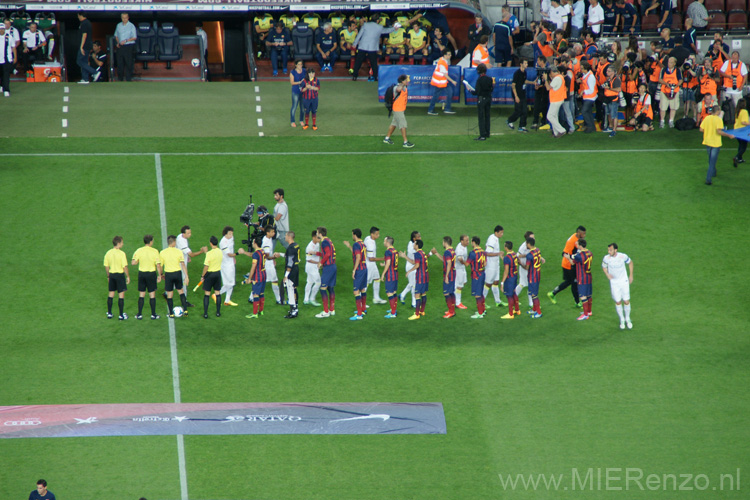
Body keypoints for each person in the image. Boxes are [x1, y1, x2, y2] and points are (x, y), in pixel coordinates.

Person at [351, 13, 396, 82]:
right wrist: (394, 28)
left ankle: (354, 76)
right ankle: (375, 77)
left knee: (358, 62)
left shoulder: (365, 25)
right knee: (374, 63)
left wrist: (355, 43)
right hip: (372, 47)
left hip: (363, 46)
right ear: (377, 20)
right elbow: (387, 31)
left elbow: (359, 34)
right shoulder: (380, 27)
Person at [548, 225, 585, 307]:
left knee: (569, 282)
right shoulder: (572, 241)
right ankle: (577, 302)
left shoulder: (577, 239)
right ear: (579, 233)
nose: (584, 235)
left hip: (570, 264)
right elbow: (564, 253)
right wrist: (571, 261)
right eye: (583, 234)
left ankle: (552, 293)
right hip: (569, 265)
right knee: (574, 283)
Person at [602, 242, 633, 329]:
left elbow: (630, 263)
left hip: (624, 281)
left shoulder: (622, 256)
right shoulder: (606, 258)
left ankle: (628, 318)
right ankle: (622, 319)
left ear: (615, 250)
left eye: (610, 250)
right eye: (608, 250)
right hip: (614, 283)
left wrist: (631, 275)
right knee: (618, 301)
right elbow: (604, 267)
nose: (609, 251)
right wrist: (607, 274)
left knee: (626, 301)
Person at [131, 234, 163, 320]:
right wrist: (160, 275)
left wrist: (138, 261)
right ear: (151, 241)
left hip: (142, 274)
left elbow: (133, 262)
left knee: (141, 294)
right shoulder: (155, 251)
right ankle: (153, 314)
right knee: (152, 295)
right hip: (151, 274)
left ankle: (139, 314)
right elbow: (158, 265)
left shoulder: (139, 250)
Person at [700, 105, 733, 185]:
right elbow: (719, 132)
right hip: (715, 143)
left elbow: (701, 129)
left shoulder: (707, 118)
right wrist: (729, 135)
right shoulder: (718, 120)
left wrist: (708, 131)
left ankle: (714, 172)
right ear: (718, 111)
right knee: (712, 162)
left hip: (707, 142)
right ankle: (708, 179)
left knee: (710, 160)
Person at [176, 225, 207, 307]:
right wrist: (201, 251)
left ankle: (166, 293)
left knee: (177, 280)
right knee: (184, 282)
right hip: (180, 264)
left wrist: (187, 257)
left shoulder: (180, 236)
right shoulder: (182, 241)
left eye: (190, 232)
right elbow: (192, 254)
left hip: (179, 260)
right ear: (184, 233)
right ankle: (184, 301)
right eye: (188, 233)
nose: (190, 234)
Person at [160, 234, 190, 317]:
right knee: (181, 291)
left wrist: (161, 274)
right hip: (177, 273)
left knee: (169, 294)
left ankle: (171, 313)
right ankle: (185, 310)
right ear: (174, 242)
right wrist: (186, 276)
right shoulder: (178, 251)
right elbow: (183, 264)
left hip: (169, 274)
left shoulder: (163, 252)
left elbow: (160, 265)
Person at [343, 228, 368, 321]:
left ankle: (359, 314)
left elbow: (358, 257)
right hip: (365, 268)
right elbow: (356, 253)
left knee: (356, 291)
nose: (352, 236)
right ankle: (363, 309)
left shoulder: (356, 244)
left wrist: (354, 270)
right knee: (362, 289)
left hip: (359, 270)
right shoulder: (362, 244)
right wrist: (349, 246)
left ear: (355, 235)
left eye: (352, 234)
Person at [383, 74, 415, 148]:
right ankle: (405, 142)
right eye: (406, 80)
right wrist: (402, 84)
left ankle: (387, 138)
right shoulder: (397, 87)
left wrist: (404, 84)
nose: (407, 81)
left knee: (394, 124)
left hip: (400, 109)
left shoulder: (404, 87)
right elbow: (398, 90)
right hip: (398, 109)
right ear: (402, 81)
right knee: (403, 125)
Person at [565, 238, 593, 320]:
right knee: (588, 294)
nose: (576, 245)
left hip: (582, 277)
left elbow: (572, 262)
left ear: (580, 246)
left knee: (582, 296)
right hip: (589, 276)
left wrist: (568, 258)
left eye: (577, 244)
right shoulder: (590, 253)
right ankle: (589, 311)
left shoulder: (579, 256)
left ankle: (585, 314)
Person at [104, 235, 130, 320]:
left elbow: (106, 266)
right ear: (118, 243)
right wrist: (128, 276)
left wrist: (108, 275)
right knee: (121, 295)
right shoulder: (122, 254)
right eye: (122, 242)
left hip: (112, 275)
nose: (123, 244)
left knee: (111, 294)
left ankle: (109, 313)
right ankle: (121, 315)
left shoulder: (108, 253)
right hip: (119, 276)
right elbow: (125, 267)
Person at [430, 236, 456, 319]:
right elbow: (445, 261)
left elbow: (448, 263)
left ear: (445, 242)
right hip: (453, 273)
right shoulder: (452, 251)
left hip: (449, 274)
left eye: (443, 242)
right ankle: (452, 310)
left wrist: (447, 276)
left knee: (446, 293)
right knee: (451, 292)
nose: (442, 243)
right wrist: (436, 253)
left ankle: (451, 312)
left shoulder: (447, 252)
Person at [402, 239, 428, 321]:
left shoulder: (417, 254)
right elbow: (413, 262)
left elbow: (416, 265)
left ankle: (417, 314)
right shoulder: (422, 253)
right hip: (426, 276)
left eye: (414, 244)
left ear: (417, 245)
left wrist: (409, 271)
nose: (413, 245)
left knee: (417, 295)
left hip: (420, 276)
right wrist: (405, 256)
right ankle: (422, 311)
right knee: (423, 293)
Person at [315, 226, 337, 318]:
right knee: (330, 288)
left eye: (317, 232)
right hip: (333, 266)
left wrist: (321, 262)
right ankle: (332, 310)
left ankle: (325, 311)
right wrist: (316, 253)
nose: (316, 234)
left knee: (323, 289)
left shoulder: (324, 242)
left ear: (320, 233)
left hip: (328, 268)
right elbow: (328, 253)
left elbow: (327, 254)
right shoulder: (329, 240)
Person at [427, 48, 456, 115]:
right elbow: (445, 74)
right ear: (444, 55)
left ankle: (446, 108)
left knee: (449, 93)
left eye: (450, 54)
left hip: (442, 82)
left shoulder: (443, 60)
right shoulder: (442, 63)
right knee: (437, 95)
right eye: (449, 54)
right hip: (440, 82)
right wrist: (452, 81)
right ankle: (431, 110)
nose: (450, 56)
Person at [199, 236, 223, 319]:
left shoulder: (209, 254)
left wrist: (202, 276)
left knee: (207, 294)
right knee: (217, 293)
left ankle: (205, 314)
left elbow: (206, 266)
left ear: (211, 243)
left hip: (210, 275)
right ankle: (218, 312)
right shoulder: (220, 251)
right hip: (218, 274)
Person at [483, 225, 506, 307]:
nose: (502, 234)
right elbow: (487, 253)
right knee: (488, 283)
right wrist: (498, 253)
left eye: (502, 233)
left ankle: (498, 301)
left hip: (496, 265)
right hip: (491, 266)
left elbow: (487, 246)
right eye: (501, 233)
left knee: (496, 282)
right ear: (496, 232)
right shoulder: (492, 239)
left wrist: (498, 253)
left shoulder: (495, 238)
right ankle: (482, 303)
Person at [522, 236, 545, 318]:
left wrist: (520, 263)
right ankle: (534, 309)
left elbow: (527, 267)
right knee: (532, 293)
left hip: (532, 277)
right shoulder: (537, 250)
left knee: (534, 295)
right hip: (537, 275)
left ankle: (539, 312)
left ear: (528, 244)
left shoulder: (529, 255)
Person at [470, 63, 494, 141]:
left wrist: (470, 90)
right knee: (487, 115)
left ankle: (482, 135)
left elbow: (477, 92)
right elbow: (491, 89)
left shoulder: (479, 80)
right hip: (488, 98)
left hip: (481, 99)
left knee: (481, 117)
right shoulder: (490, 79)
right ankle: (487, 133)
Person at [244, 237, 266, 319]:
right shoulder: (262, 251)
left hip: (258, 275)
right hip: (264, 273)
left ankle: (254, 313)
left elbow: (253, 266)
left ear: (255, 243)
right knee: (261, 293)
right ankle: (261, 311)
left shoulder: (256, 254)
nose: (252, 243)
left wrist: (249, 278)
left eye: (253, 242)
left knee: (255, 294)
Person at [363, 226, 386, 304]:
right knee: (366, 282)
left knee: (377, 278)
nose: (378, 236)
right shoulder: (370, 244)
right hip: (369, 264)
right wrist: (383, 258)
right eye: (376, 234)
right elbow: (371, 258)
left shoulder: (367, 238)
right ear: (372, 234)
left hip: (372, 264)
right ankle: (361, 302)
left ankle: (376, 298)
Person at [506, 59, 531, 132]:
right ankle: (509, 120)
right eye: (525, 63)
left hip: (523, 93)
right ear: (521, 64)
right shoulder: (517, 73)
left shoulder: (525, 72)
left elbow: (525, 81)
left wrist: (533, 82)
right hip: (517, 94)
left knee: (525, 111)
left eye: (527, 63)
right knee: (518, 111)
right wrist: (516, 96)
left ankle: (522, 126)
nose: (527, 64)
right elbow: (513, 85)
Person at [465, 236, 487, 319]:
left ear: (474, 242)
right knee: (480, 293)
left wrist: (461, 261)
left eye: (471, 241)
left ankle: (480, 313)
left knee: (477, 295)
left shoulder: (472, 253)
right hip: (482, 274)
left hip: (476, 275)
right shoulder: (483, 252)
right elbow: (485, 264)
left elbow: (467, 264)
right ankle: (483, 309)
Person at [260, 226, 282, 304]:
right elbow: (266, 256)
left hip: (266, 263)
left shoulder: (268, 239)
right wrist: (274, 257)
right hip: (267, 264)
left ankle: (252, 297)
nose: (274, 233)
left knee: (261, 280)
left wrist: (273, 259)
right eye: (272, 232)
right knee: (274, 280)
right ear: (267, 233)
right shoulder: (266, 242)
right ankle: (279, 299)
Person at [280, 231, 300, 318]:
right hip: (296, 268)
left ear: (289, 237)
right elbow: (293, 257)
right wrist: (280, 254)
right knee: (293, 288)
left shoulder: (290, 248)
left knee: (290, 290)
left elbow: (290, 262)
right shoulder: (296, 245)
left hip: (291, 271)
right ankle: (295, 308)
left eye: (285, 235)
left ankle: (293, 310)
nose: (285, 237)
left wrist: (286, 275)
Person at [399, 231, 421, 308]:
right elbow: (414, 261)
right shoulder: (413, 248)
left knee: (412, 283)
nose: (420, 238)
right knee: (414, 285)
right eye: (418, 237)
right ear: (414, 238)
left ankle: (402, 295)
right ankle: (414, 303)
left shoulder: (414, 244)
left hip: (413, 265)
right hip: (411, 266)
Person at [514, 231, 535, 311]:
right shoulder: (523, 247)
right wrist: (526, 256)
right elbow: (517, 256)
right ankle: (513, 297)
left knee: (529, 284)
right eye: (532, 237)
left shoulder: (531, 244)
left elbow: (534, 252)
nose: (534, 238)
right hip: (523, 267)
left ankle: (531, 303)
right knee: (522, 283)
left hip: (528, 266)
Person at [658, 56, 682, 128]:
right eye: (669, 62)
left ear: (674, 63)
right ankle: (662, 121)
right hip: (664, 91)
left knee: (673, 107)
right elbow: (660, 79)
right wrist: (666, 84)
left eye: (671, 62)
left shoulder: (678, 70)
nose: (669, 64)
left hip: (674, 91)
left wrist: (676, 85)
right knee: (663, 107)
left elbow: (680, 80)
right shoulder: (664, 69)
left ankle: (671, 121)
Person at [545, 65, 568, 138]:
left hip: (556, 100)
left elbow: (548, 88)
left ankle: (561, 130)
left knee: (550, 116)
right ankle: (556, 132)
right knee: (554, 116)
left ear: (551, 71)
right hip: (558, 99)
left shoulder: (557, 78)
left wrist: (546, 79)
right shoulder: (559, 77)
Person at [219, 226, 238, 307]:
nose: (231, 235)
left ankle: (227, 300)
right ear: (225, 234)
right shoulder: (223, 242)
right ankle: (218, 294)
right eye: (230, 234)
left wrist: (234, 258)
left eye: (232, 233)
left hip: (230, 263)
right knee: (230, 283)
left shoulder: (231, 238)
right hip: (225, 264)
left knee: (230, 282)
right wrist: (238, 253)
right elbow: (229, 254)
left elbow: (232, 249)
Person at [500, 241, 520, 319]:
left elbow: (506, 271)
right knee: (514, 292)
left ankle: (510, 314)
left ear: (506, 248)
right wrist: (502, 257)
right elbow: (513, 262)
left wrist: (502, 282)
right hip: (515, 276)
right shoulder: (514, 254)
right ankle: (517, 310)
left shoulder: (507, 258)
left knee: (509, 295)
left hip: (510, 279)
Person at [381, 236, 399, 318]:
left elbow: (388, 263)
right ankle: (394, 309)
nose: (383, 242)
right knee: (394, 292)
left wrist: (383, 274)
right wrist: (383, 264)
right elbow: (391, 261)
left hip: (390, 275)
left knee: (389, 293)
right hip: (395, 273)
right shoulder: (395, 251)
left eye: (384, 241)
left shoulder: (388, 252)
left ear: (388, 242)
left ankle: (393, 313)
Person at [114, 12, 136, 82]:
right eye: (123, 18)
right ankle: (120, 79)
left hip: (129, 46)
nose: (124, 19)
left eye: (125, 18)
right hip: (120, 46)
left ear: (128, 18)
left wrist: (126, 40)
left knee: (128, 63)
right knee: (120, 63)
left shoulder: (131, 26)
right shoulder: (118, 25)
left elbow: (134, 37)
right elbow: (116, 35)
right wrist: (117, 42)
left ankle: (128, 79)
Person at [530, 56, 550, 130]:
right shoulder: (539, 69)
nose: (537, 61)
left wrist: (540, 86)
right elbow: (538, 77)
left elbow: (548, 81)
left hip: (544, 89)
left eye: (538, 60)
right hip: (538, 89)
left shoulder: (547, 70)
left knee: (544, 105)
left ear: (542, 61)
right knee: (536, 105)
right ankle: (535, 122)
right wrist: (535, 82)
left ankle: (543, 121)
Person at [77, 11, 96, 84]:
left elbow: (84, 35)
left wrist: (81, 47)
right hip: (87, 45)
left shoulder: (85, 23)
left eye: (78, 15)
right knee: (84, 61)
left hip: (85, 45)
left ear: (80, 15)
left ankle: (94, 72)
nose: (78, 17)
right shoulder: (87, 22)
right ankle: (85, 79)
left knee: (79, 61)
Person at [602, 65, 621, 136]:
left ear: (613, 72)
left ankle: (614, 130)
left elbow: (618, 89)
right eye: (607, 71)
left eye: (609, 71)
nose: (607, 72)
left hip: (614, 99)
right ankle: (610, 127)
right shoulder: (609, 79)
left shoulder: (616, 80)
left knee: (614, 115)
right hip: (608, 99)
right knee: (608, 114)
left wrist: (609, 88)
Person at [303, 230, 322, 305]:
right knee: (318, 283)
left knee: (310, 282)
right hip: (311, 266)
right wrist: (319, 263)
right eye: (318, 238)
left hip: (314, 266)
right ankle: (312, 298)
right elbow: (309, 260)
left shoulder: (317, 244)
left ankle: (306, 299)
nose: (320, 240)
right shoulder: (309, 247)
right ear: (313, 237)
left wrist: (320, 262)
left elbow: (318, 254)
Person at [580, 60, 597, 133]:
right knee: (589, 112)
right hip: (587, 97)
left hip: (590, 97)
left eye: (581, 68)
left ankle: (590, 126)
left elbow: (591, 90)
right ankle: (591, 126)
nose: (580, 69)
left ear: (585, 68)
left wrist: (583, 91)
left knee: (584, 111)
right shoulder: (586, 75)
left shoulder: (590, 77)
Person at [0, 24, 16, 97]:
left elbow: (13, 47)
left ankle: (6, 90)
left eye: (2, 29)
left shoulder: (9, 36)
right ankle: (1, 86)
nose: (1, 30)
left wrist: (15, 57)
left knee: (6, 74)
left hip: (7, 59)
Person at [454, 234, 469, 310]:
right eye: (466, 240)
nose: (468, 242)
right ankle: (457, 303)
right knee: (459, 286)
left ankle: (454, 300)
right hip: (459, 269)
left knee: (463, 283)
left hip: (462, 268)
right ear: (461, 241)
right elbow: (460, 259)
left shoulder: (464, 246)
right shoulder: (459, 249)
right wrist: (465, 263)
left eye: (468, 240)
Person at [289, 60, 305, 128]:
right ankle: (292, 121)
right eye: (299, 64)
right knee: (294, 106)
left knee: (302, 107)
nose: (300, 66)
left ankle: (301, 120)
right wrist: (299, 82)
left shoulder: (304, 71)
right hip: (295, 91)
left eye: (301, 64)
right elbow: (292, 83)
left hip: (303, 91)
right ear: (295, 65)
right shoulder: (292, 72)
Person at [733, 98, 749, 167]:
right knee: (744, 146)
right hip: (742, 131)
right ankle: (737, 157)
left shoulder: (737, 111)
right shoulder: (744, 111)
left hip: (736, 130)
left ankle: (740, 158)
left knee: (740, 144)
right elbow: (743, 122)